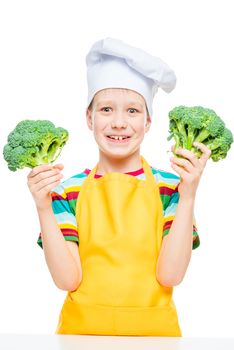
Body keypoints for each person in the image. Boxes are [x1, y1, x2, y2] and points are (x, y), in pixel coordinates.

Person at [27, 37, 211, 336]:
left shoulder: (172, 188)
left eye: (133, 111)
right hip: (81, 336)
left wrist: (189, 195)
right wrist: (43, 207)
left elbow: (171, 274)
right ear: (89, 117)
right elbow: (67, 280)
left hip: (155, 338)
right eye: (106, 109)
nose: (119, 123)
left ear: (148, 121)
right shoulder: (65, 191)